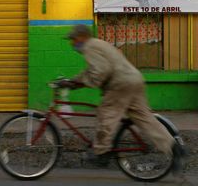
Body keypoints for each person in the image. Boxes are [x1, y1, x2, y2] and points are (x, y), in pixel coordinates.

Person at [58, 24, 184, 173]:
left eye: (73, 39)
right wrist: (74, 82)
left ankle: (101, 152)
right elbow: (92, 71)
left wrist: (81, 83)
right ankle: (173, 147)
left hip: (120, 84)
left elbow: (100, 71)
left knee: (106, 113)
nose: (72, 43)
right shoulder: (100, 44)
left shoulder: (89, 47)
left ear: (81, 37)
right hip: (135, 80)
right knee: (144, 118)